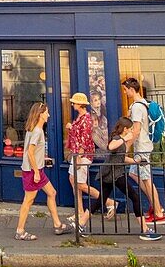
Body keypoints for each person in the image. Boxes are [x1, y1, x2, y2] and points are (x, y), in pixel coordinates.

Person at [14, 102, 72, 240]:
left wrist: (41, 160)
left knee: (52, 193)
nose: (48, 115)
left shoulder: (32, 129)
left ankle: (57, 224)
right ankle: (20, 231)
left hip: (36, 169)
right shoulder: (37, 131)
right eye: (46, 112)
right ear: (40, 114)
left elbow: (32, 151)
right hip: (33, 171)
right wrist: (36, 172)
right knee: (28, 200)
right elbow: (30, 153)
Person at [99, 117, 161, 241]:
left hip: (111, 174)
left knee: (99, 201)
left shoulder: (121, 140)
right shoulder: (118, 138)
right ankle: (145, 230)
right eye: (131, 129)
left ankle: (81, 224)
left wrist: (135, 161)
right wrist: (124, 139)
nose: (132, 131)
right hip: (116, 174)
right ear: (125, 129)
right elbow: (110, 147)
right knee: (135, 197)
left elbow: (120, 158)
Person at [122, 77, 165, 224]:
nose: (125, 92)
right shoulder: (143, 104)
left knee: (147, 180)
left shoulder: (136, 107)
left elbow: (136, 130)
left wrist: (126, 147)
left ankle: (158, 213)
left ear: (131, 89)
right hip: (143, 147)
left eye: (125, 89)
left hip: (142, 148)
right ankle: (156, 205)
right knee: (134, 174)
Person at [66, 92, 113, 232]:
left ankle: (109, 202)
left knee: (80, 184)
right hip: (77, 154)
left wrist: (80, 155)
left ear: (80, 104)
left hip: (82, 155)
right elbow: (77, 136)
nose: (73, 104)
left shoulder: (86, 119)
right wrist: (71, 129)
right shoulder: (80, 118)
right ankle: (80, 211)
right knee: (73, 180)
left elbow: (85, 139)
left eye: (74, 102)